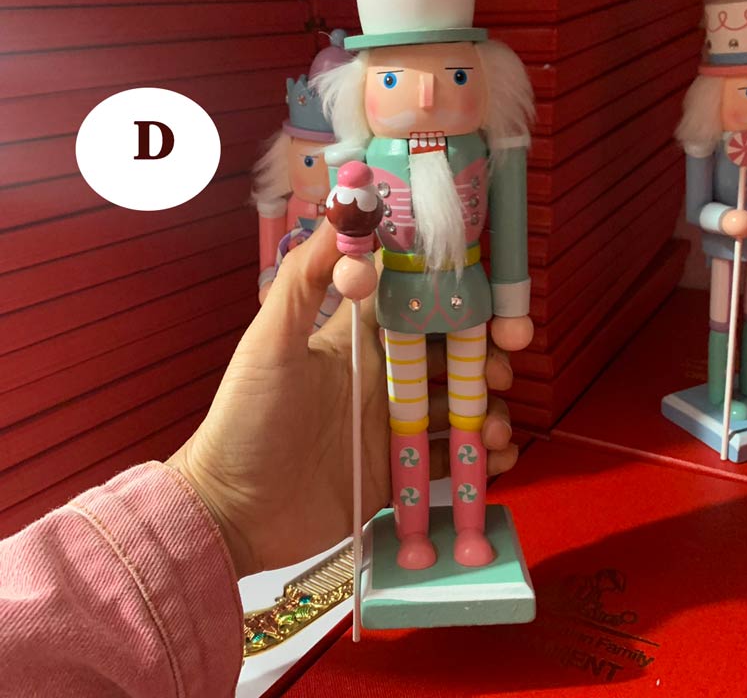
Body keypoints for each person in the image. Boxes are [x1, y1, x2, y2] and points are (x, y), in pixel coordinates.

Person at [0, 220, 521, 697]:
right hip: (402, 301)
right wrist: (217, 502)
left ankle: (465, 532)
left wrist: (512, 300)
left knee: (467, 421)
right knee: (415, 425)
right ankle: (414, 538)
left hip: (459, 297)